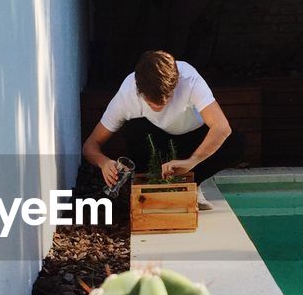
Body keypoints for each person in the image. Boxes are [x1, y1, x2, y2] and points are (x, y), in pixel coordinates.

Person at [82, 51, 246, 209]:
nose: (158, 106)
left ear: (175, 84)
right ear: (139, 89)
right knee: (134, 127)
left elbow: (221, 127)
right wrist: (104, 163)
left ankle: (193, 184)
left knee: (235, 143)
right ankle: (150, 190)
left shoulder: (189, 79)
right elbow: (90, 145)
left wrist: (192, 161)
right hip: (157, 142)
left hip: (194, 139)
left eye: (166, 98)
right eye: (151, 101)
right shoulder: (127, 94)